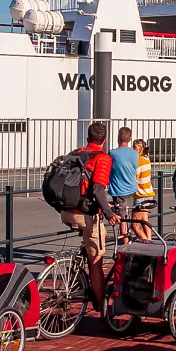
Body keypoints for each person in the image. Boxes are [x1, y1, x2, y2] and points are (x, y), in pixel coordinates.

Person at [60, 121, 116, 309]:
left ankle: (78, 273)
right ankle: (102, 308)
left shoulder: (77, 153)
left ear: (87, 138)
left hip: (67, 211)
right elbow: (99, 189)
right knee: (96, 261)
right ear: (105, 140)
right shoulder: (103, 158)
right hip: (86, 214)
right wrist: (109, 213)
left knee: (92, 241)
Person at [108, 127, 140, 238]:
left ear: (118, 138)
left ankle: (124, 242)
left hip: (119, 189)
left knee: (123, 218)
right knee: (125, 214)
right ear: (130, 139)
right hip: (132, 187)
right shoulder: (135, 154)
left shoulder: (112, 153)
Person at [129, 137, 155, 241]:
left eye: (134, 147)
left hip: (141, 195)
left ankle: (146, 242)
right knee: (145, 220)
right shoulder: (146, 158)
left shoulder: (138, 160)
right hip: (149, 193)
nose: (132, 149)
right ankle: (149, 239)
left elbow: (134, 178)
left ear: (139, 149)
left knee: (134, 225)